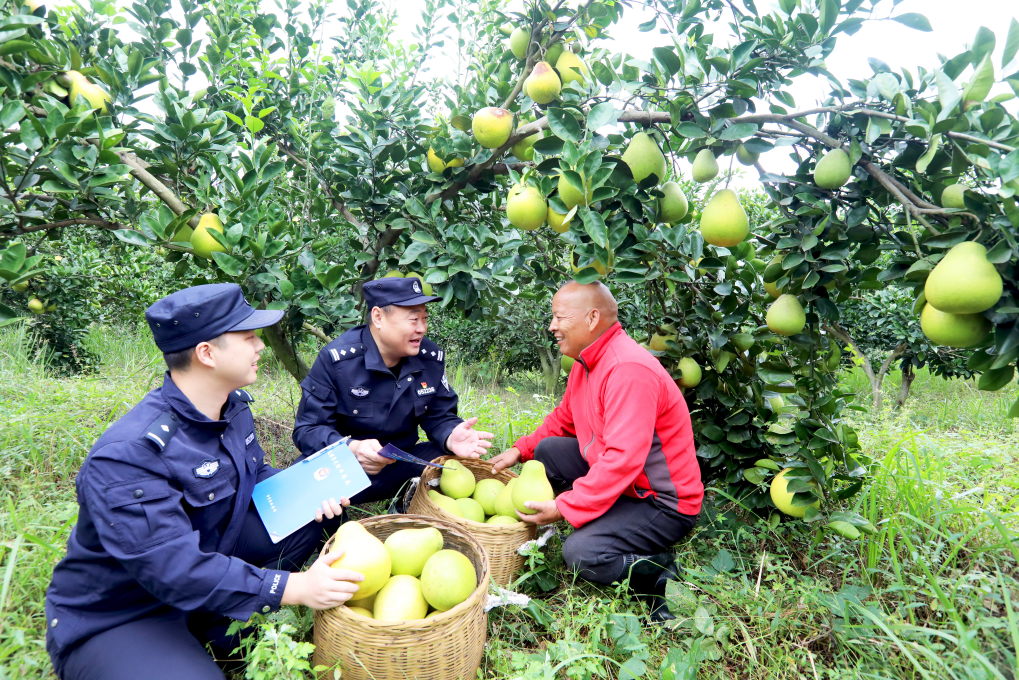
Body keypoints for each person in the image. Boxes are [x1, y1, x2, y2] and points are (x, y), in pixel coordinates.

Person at [45, 284, 366, 680]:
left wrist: (313, 490)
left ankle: (215, 622)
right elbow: (175, 569)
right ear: (207, 353)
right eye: (248, 337)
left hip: (208, 555)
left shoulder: (230, 408)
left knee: (316, 518)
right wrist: (294, 588)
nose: (260, 346)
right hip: (126, 612)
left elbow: (254, 476)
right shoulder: (130, 454)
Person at [489, 281, 703, 622]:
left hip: (661, 501)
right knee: (547, 451)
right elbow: (563, 420)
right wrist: (519, 450)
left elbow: (622, 461)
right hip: (624, 482)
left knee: (582, 553)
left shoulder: (627, 370)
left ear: (591, 319)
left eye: (559, 317)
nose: (552, 326)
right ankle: (606, 517)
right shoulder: (585, 363)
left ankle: (657, 569)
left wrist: (564, 507)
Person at [292, 276, 493, 507]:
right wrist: (352, 449)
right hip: (346, 467)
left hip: (400, 465)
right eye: (413, 319)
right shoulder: (337, 361)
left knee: (452, 460)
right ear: (378, 317)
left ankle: (409, 504)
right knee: (300, 487)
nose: (422, 328)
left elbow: (439, 415)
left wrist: (451, 434)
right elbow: (308, 430)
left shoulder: (429, 358)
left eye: (425, 319)